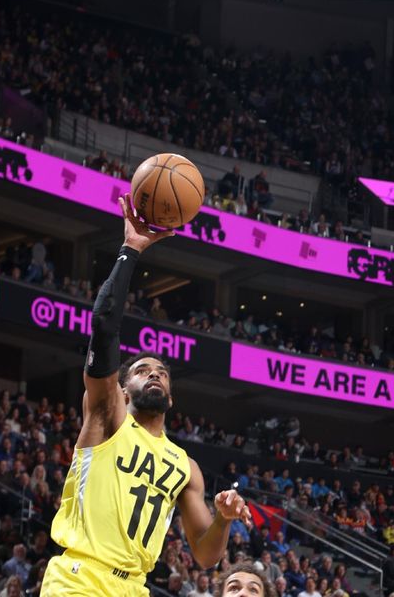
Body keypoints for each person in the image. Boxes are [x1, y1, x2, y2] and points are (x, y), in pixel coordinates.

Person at [41, 195, 251, 596]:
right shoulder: (107, 416)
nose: (154, 373)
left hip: (135, 587)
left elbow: (205, 556)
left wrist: (223, 520)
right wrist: (131, 250)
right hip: (79, 577)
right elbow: (104, 325)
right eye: (141, 370)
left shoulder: (185, 467)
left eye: (162, 372)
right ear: (122, 389)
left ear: (171, 398)